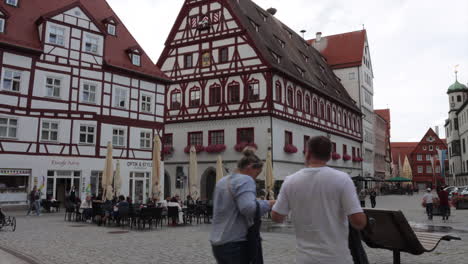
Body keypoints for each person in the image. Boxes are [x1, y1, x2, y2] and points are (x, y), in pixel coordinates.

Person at [271, 136, 367, 264]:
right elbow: (358, 222)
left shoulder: (290, 181)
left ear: (308, 153)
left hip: (304, 259)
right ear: (329, 156)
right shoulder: (343, 179)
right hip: (336, 258)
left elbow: (277, 217)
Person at [210, 149, 275, 264]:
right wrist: (269, 203)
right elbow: (248, 209)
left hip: (218, 242)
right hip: (235, 242)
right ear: (250, 167)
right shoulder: (245, 180)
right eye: (257, 173)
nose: (255, 178)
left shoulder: (222, 181)